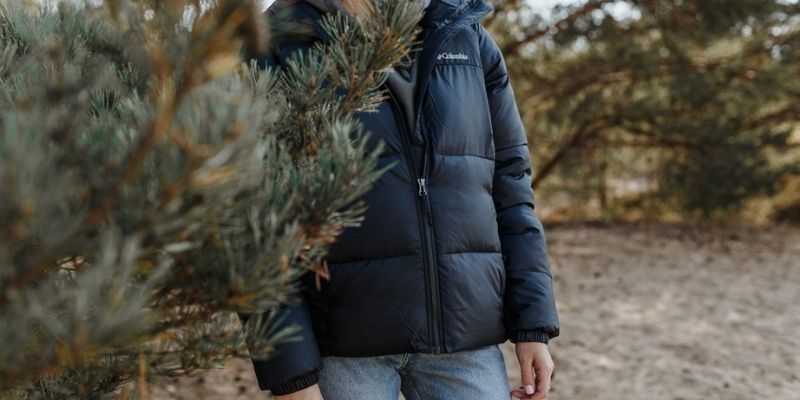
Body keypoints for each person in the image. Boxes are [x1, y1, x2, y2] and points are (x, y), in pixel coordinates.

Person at [244, 0, 560, 399]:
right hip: (343, 349)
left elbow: (510, 186)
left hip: (464, 340)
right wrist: (292, 375)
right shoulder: (274, 42)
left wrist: (532, 324)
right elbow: (253, 215)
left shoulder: (466, 34)